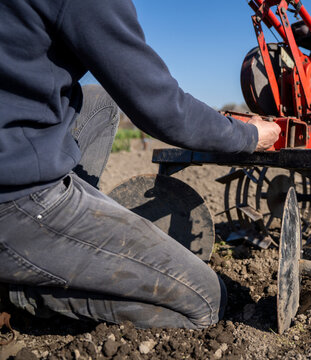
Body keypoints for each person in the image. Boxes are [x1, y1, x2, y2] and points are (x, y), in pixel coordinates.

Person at [0, 0, 280, 329]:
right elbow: (160, 107)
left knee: (98, 103)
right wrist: (248, 135)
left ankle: (69, 243)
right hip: (14, 196)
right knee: (206, 301)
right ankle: (22, 291)